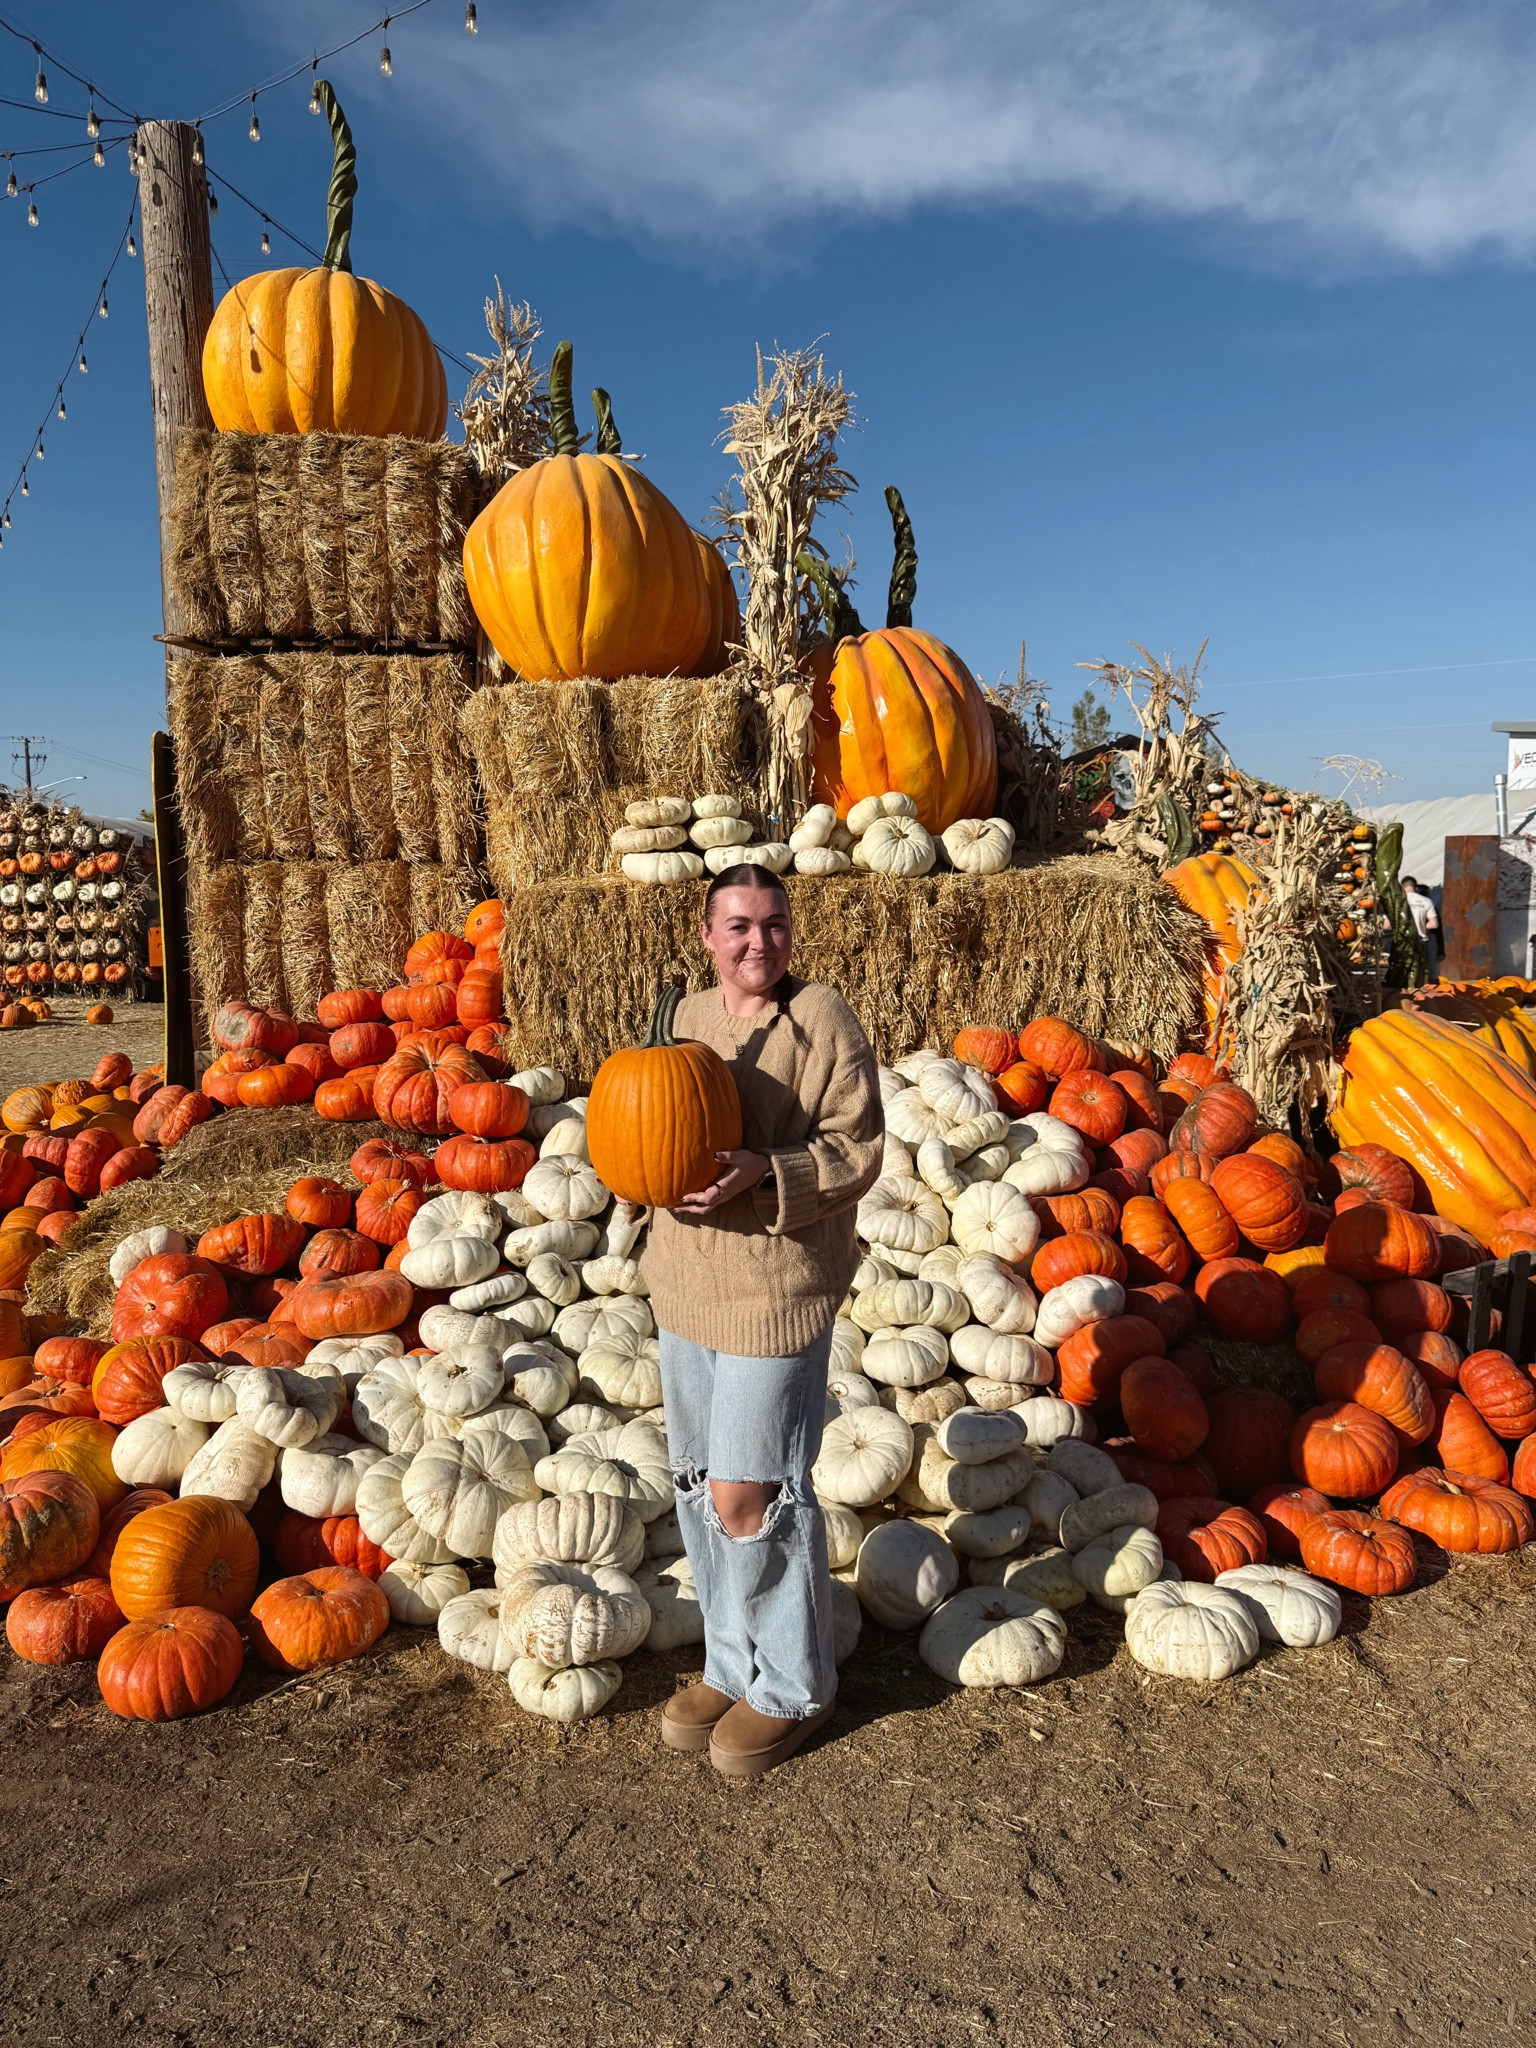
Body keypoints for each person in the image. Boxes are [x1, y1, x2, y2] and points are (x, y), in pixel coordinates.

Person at [639, 861, 884, 1778]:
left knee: (755, 1493)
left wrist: (765, 1172)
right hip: (688, 1280)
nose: (758, 943)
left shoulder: (821, 1017)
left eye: (774, 925)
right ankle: (728, 1660)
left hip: (776, 1286)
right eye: (738, 926)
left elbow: (858, 1148)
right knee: (703, 1483)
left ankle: (791, 1686)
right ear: (707, 936)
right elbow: (654, 1120)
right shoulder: (691, 1017)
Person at [1401, 876, 1440, 977]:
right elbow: (1434, 924)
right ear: (1415, 887)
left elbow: (1386, 925)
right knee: (1421, 972)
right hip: (1421, 940)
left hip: (1403, 941)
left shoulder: (1398, 902)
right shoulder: (1426, 901)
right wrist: (1422, 925)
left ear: (1402, 887)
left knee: (1404, 972)